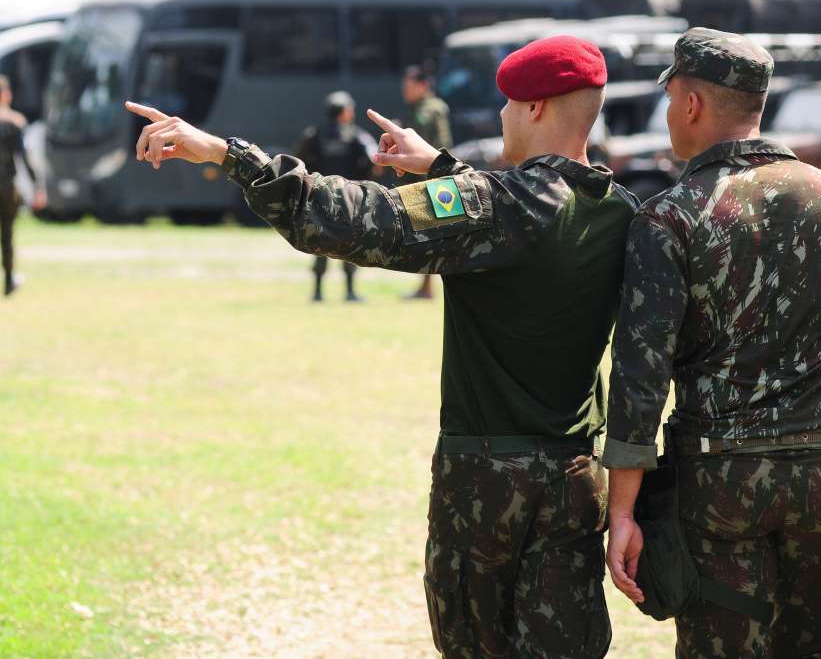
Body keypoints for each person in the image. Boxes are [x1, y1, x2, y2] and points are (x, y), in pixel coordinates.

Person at [126, 33, 636, 659]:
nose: (501, 115)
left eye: (508, 103)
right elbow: (522, 212)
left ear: (534, 109)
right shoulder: (619, 212)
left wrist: (230, 155)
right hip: (577, 479)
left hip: (486, 482)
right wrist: (442, 168)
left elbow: (354, 216)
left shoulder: (496, 206)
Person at [602, 27, 821, 658]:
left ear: (690, 104)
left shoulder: (670, 215)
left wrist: (623, 514)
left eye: (671, 101)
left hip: (720, 483)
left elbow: (641, 375)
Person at [293, 91, 376, 302]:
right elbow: (373, 161)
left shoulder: (314, 135)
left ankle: (318, 292)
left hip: (319, 198)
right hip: (350, 199)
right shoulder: (357, 135)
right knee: (349, 244)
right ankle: (349, 291)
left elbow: (299, 163)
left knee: (319, 243)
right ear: (345, 113)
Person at [397, 64, 453, 300]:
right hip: (423, 177)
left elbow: (441, 142)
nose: (404, 91)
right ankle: (425, 286)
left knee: (434, 232)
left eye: (408, 86)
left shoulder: (432, 108)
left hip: (432, 179)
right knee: (425, 232)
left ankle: (428, 287)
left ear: (422, 86)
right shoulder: (417, 109)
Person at [0, 75, 44, 297]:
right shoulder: (14, 122)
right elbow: (24, 159)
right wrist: (37, 186)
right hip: (7, 185)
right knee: (7, 235)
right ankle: (8, 282)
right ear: (6, 94)